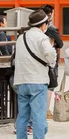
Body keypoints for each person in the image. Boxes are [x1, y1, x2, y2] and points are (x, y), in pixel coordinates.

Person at [14, 9, 57, 139]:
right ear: (43, 24)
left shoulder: (21, 38)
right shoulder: (42, 38)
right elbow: (50, 57)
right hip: (37, 81)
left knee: (22, 116)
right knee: (38, 116)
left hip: (21, 81)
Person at [41, 4, 62, 120]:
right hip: (51, 59)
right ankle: (46, 110)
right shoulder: (52, 28)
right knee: (51, 84)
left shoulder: (34, 28)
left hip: (39, 59)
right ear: (50, 15)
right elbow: (61, 44)